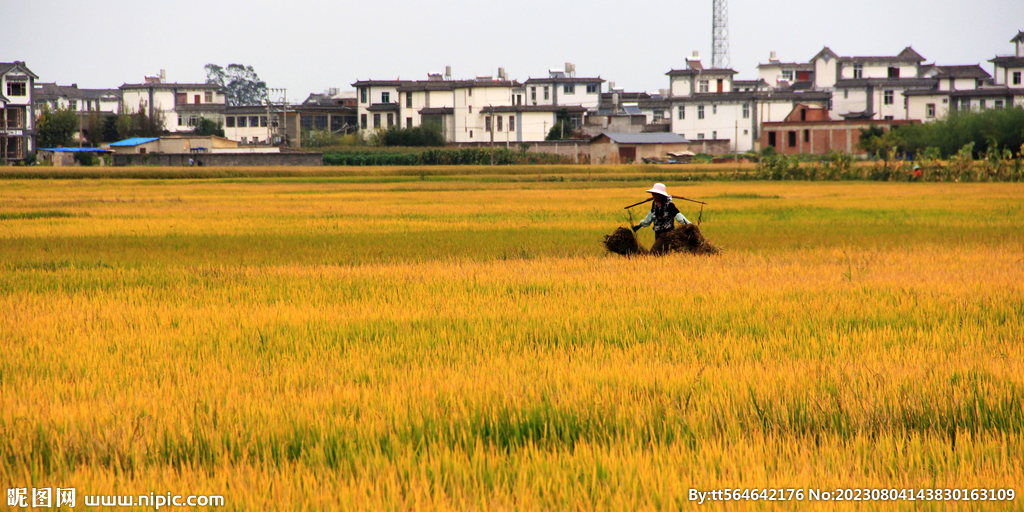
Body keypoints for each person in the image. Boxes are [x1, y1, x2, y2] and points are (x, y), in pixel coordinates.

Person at [632, 183, 692, 254]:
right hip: (657, 233)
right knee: (662, 254)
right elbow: (650, 216)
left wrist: (689, 225)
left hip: (667, 234)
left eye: (655, 194)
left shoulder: (669, 205)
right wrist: (640, 225)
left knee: (654, 251)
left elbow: (678, 215)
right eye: (653, 194)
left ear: (661, 195)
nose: (653, 196)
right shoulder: (654, 204)